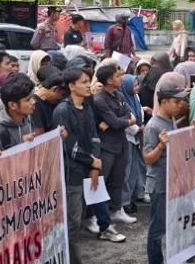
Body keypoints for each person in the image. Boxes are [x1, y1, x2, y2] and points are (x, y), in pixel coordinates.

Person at [55, 68, 125, 264]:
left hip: (90, 166)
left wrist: (95, 164)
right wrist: (91, 161)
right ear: (71, 86)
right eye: (84, 82)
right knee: (73, 222)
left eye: (89, 81)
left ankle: (105, 228)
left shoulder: (87, 106)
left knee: (92, 204)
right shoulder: (62, 111)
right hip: (73, 173)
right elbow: (69, 146)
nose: (89, 85)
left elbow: (93, 135)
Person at [143, 82, 188, 264]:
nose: (180, 105)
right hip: (160, 184)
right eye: (176, 102)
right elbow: (147, 159)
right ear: (164, 102)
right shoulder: (153, 126)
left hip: (172, 181)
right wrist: (161, 146)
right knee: (157, 228)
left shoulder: (170, 121)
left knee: (176, 221)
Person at [93, 64, 138, 224]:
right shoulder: (99, 100)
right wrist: (121, 121)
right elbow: (116, 121)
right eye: (118, 76)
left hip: (121, 143)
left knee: (118, 179)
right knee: (101, 181)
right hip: (106, 146)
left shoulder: (119, 95)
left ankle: (116, 210)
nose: (121, 77)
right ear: (110, 80)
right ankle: (94, 216)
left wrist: (119, 121)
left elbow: (128, 115)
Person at [0, 73, 35, 152]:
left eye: (32, 97)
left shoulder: (28, 119)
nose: (33, 102)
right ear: (12, 105)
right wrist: (21, 146)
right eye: (28, 100)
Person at [119, 74, 147, 213]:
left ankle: (137, 194)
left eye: (137, 85)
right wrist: (138, 129)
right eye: (134, 85)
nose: (137, 87)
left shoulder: (135, 97)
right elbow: (127, 120)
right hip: (127, 138)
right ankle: (125, 201)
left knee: (136, 167)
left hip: (136, 138)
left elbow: (138, 113)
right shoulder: (122, 99)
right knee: (127, 170)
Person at [32, 67, 68, 136]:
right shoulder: (35, 105)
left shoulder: (52, 102)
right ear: (55, 89)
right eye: (62, 95)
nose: (62, 99)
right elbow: (39, 137)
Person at [139, 52, 172, 120]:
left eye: (157, 64)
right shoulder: (146, 84)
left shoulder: (170, 76)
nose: (154, 66)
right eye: (153, 64)